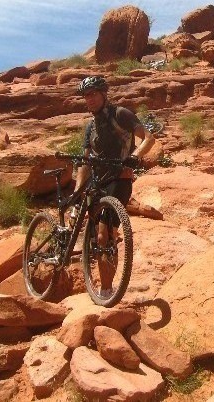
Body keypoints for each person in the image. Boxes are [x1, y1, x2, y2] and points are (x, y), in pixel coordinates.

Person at [74, 75, 154, 297]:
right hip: (97, 182)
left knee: (105, 235)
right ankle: (102, 287)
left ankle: (108, 290)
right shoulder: (90, 127)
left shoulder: (121, 114)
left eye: (93, 94)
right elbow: (85, 161)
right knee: (96, 237)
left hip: (119, 178)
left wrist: (135, 156)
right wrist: (77, 190)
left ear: (103, 94)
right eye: (86, 96)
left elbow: (148, 137)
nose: (89, 99)